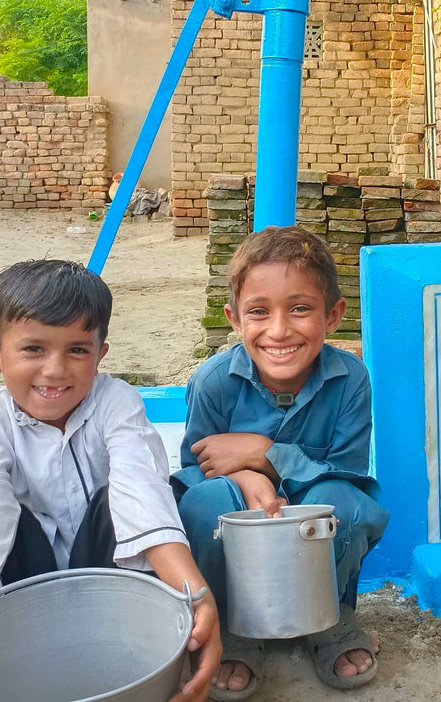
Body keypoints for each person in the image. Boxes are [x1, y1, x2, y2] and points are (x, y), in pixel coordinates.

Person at [0, 259, 222, 702]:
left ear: (100, 354)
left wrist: (198, 598)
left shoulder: (116, 403)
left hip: (111, 580)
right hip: (24, 591)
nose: (55, 370)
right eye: (33, 349)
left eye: (76, 350)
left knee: (130, 497)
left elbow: (140, 490)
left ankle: (157, 645)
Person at [172, 225, 389, 700]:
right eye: (258, 311)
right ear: (234, 318)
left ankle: (330, 618)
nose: (279, 330)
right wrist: (244, 476)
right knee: (206, 502)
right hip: (242, 524)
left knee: (343, 506)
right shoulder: (213, 381)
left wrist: (265, 456)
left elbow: (346, 475)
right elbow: (192, 473)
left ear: (333, 315)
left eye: (300, 308)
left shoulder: (350, 379)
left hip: (315, 526)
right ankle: (233, 624)